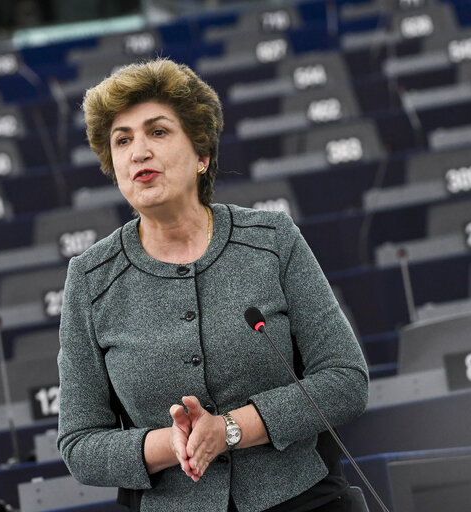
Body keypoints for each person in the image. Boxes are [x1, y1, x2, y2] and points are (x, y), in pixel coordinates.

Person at [56, 57, 369, 512]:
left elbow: (345, 381)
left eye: (157, 132)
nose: (138, 151)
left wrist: (230, 429)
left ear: (201, 155)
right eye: (122, 140)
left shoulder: (272, 240)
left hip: (304, 499)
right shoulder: (89, 280)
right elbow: (80, 444)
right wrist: (172, 444)